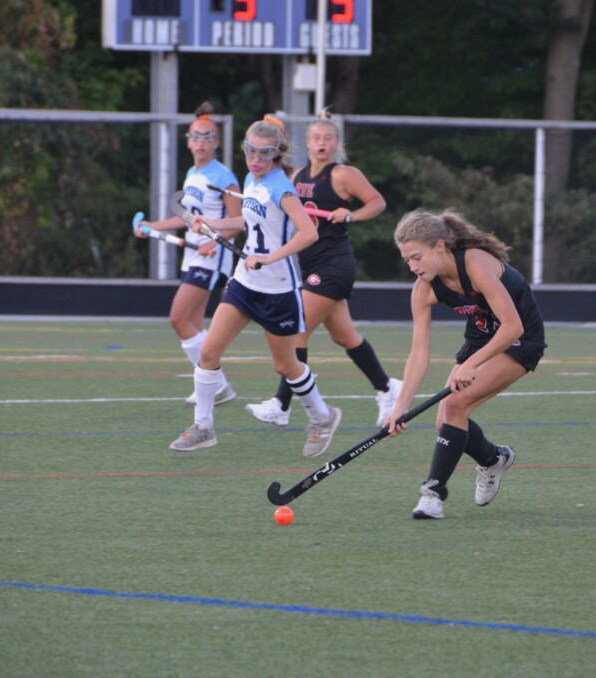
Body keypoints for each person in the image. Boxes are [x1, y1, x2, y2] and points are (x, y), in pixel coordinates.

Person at [169, 115, 342, 458]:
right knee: (208, 353)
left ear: (276, 154)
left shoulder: (283, 188)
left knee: (286, 366)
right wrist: (213, 223)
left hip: (277, 291)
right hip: (243, 284)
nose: (255, 159)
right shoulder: (251, 179)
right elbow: (248, 221)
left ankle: (322, 417)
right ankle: (203, 426)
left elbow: (309, 232)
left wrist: (269, 258)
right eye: (250, 151)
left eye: (263, 153)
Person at [384, 208, 547, 519]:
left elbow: (513, 326)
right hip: (481, 339)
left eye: (417, 257)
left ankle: (432, 494)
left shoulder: (475, 263)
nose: (412, 267)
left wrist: (472, 364)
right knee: (444, 419)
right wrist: (399, 406)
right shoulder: (423, 289)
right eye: (407, 260)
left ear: (440, 246)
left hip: (520, 339)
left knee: (455, 405)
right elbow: (419, 353)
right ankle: (493, 459)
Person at [244, 110, 402, 429]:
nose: (322, 143)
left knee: (297, 331)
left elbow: (377, 202)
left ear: (336, 143)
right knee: (346, 337)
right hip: (310, 265)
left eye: (328, 138)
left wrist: (351, 215)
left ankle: (281, 404)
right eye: (316, 137)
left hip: (334, 265)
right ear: (307, 142)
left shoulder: (343, 174)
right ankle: (388, 388)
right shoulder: (296, 176)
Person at [134, 102, 241, 407]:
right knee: (192, 324)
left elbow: (237, 222)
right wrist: (152, 225)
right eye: (196, 137)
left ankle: (217, 382)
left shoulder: (223, 176)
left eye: (208, 138)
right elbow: (186, 217)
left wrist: (215, 242)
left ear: (216, 143)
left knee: (178, 318)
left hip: (211, 256)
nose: (201, 143)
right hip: (192, 255)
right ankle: (214, 384)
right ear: (189, 141)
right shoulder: (192, 173)